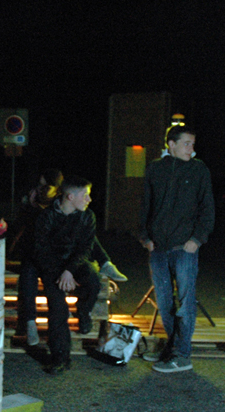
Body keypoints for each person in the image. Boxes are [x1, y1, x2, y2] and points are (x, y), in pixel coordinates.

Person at [139, 124, 215, 374]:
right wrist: (144, 237)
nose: (191, 149)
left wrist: (197, 239)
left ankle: (183, 354)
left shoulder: (198, 169)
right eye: (186, 144)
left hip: (184, 246)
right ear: (171, 144)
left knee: (185, 302)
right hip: (158, 247)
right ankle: (171, 348)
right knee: (164, 302)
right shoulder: (155, 169)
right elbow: (146, 204)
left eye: (193, 144)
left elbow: (207, 207)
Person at [33, 176, 123, 375]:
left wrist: (70, 271)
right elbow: (41, 250)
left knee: (93, 280)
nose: (89, 199)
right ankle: (60, 358)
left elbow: (85, 248)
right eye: (85, 195)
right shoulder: (47, 216)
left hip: (75, 264)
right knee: (58, 310)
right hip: (52, 267)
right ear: (70, 197)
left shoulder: (87, 216)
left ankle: (83, 312)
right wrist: (60, 274)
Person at [10, 169, 63, 346]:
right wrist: (29, 206)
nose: (41, 189)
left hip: (52, 257)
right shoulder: (31, 204)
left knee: (51, 285)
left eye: (45, 186)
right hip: (32, 255)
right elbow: (20, 227)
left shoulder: (59, 206)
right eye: (40, 186)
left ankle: (55, 329)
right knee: (27, 278)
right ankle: (30, 323)